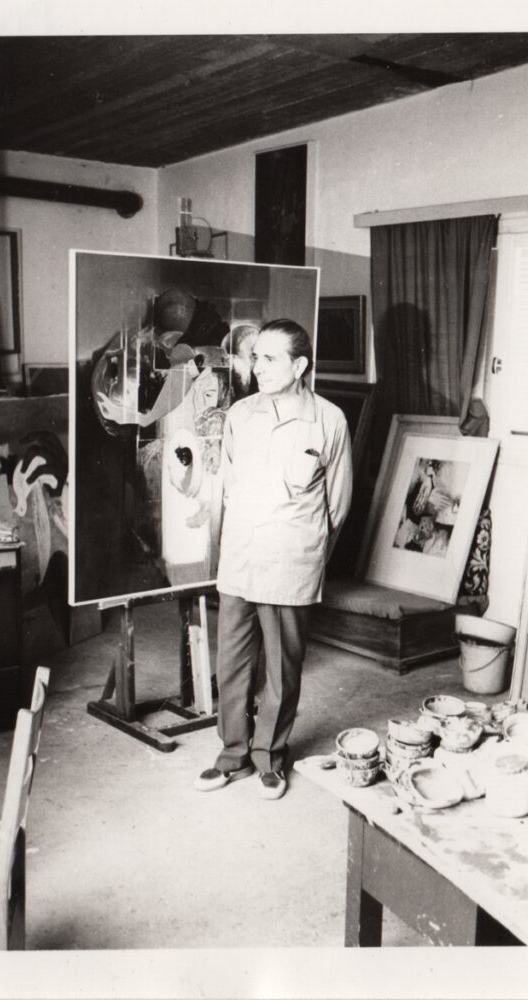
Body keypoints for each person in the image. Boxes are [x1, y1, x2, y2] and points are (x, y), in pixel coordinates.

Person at [194, 318, 353, 800]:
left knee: (282, 669)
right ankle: (232, 754)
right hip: (240, 558)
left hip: (290, 560)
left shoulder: (328, 420)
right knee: (233, 663)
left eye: (269, 358)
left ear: (299, 366)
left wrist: (309, 552)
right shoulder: (240, 415)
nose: (257, 367)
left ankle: (269, 757)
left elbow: (338, 505)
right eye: (255, 357)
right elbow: (227, 490)